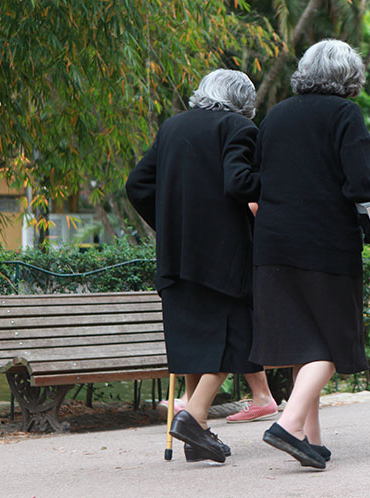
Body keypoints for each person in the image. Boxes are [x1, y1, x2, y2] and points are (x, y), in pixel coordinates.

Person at [248, 39, 370, 470]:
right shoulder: (345, 114)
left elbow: (258, 180)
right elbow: (363, 189)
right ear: (349, 76)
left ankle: (311, 441)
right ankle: (288, 423)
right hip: (325, 245)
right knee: (332, 340)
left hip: (274, 244)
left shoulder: (276, 114)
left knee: (303, 341)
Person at [125, 69, 269, 464]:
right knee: (235, 339)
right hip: (224, 257)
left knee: (193, 346)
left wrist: (172, 225)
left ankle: (198, 434)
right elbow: (239, 185)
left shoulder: (173, 126)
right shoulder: (238, 127)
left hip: (176, 257)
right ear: (243, 102)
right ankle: (191, 416)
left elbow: (137, 184)